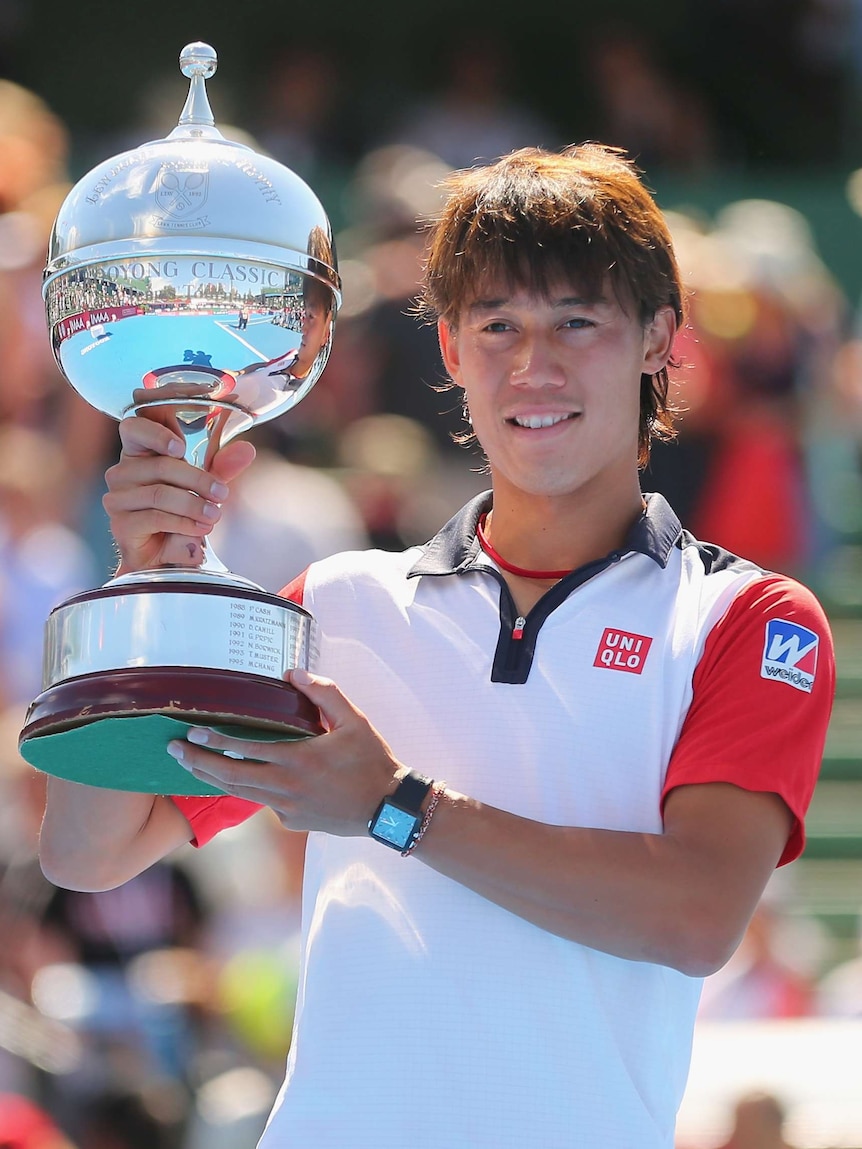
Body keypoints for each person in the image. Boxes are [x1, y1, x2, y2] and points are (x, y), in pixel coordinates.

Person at [38, 144, 835, 1148]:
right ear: (451, 350)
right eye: (496, 325)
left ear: (657, 340)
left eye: (575, 322)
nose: (532, 366)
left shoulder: (750, 619)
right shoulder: (337, 601)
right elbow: (86, 851)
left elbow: (694, 917)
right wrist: (142, 582)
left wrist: (390, 805)